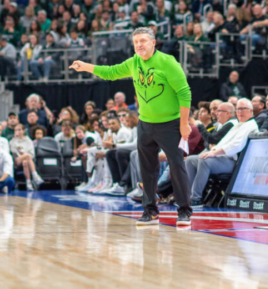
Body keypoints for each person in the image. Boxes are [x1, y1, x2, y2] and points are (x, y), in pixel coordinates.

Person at [70, 27, 193, 227]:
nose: (139, 45)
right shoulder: (134, 62)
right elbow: (110, 73)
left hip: (170, 123)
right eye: (136, 42)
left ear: (153, 43)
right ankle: (150, 211)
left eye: (143, 41)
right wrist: (86, 67)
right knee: (147, 169)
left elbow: (184, 92)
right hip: (145, 123)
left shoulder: (168, 62)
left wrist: (184, 123)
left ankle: (184, 211)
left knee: (177, 166)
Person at [185, 98, 259, 207]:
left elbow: (236, 145)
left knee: (204, 160)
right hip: (222, 158)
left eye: (243, 109)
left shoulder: (250, 125)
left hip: (234, 162)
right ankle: (187, 197)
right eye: (238, 109)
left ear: (251, 111)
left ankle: (196, 199)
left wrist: (213, 153)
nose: (240, 112)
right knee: (191, 160)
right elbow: (223, 142)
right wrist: (212, 151)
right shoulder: (239, 124)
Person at [10, 123, 44, 191]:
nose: (17, 132)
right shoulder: (13, 141)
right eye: (16, 130)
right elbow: (13, 151)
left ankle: (28, 183)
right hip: (17, 160)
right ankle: (35, 176)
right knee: (27, 156)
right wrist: (14, 139)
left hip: (28, 160)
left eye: (19, 130)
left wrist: (24, 155)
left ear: (23, 131)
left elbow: (32, 154)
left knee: (26, 162)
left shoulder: (28, 140)